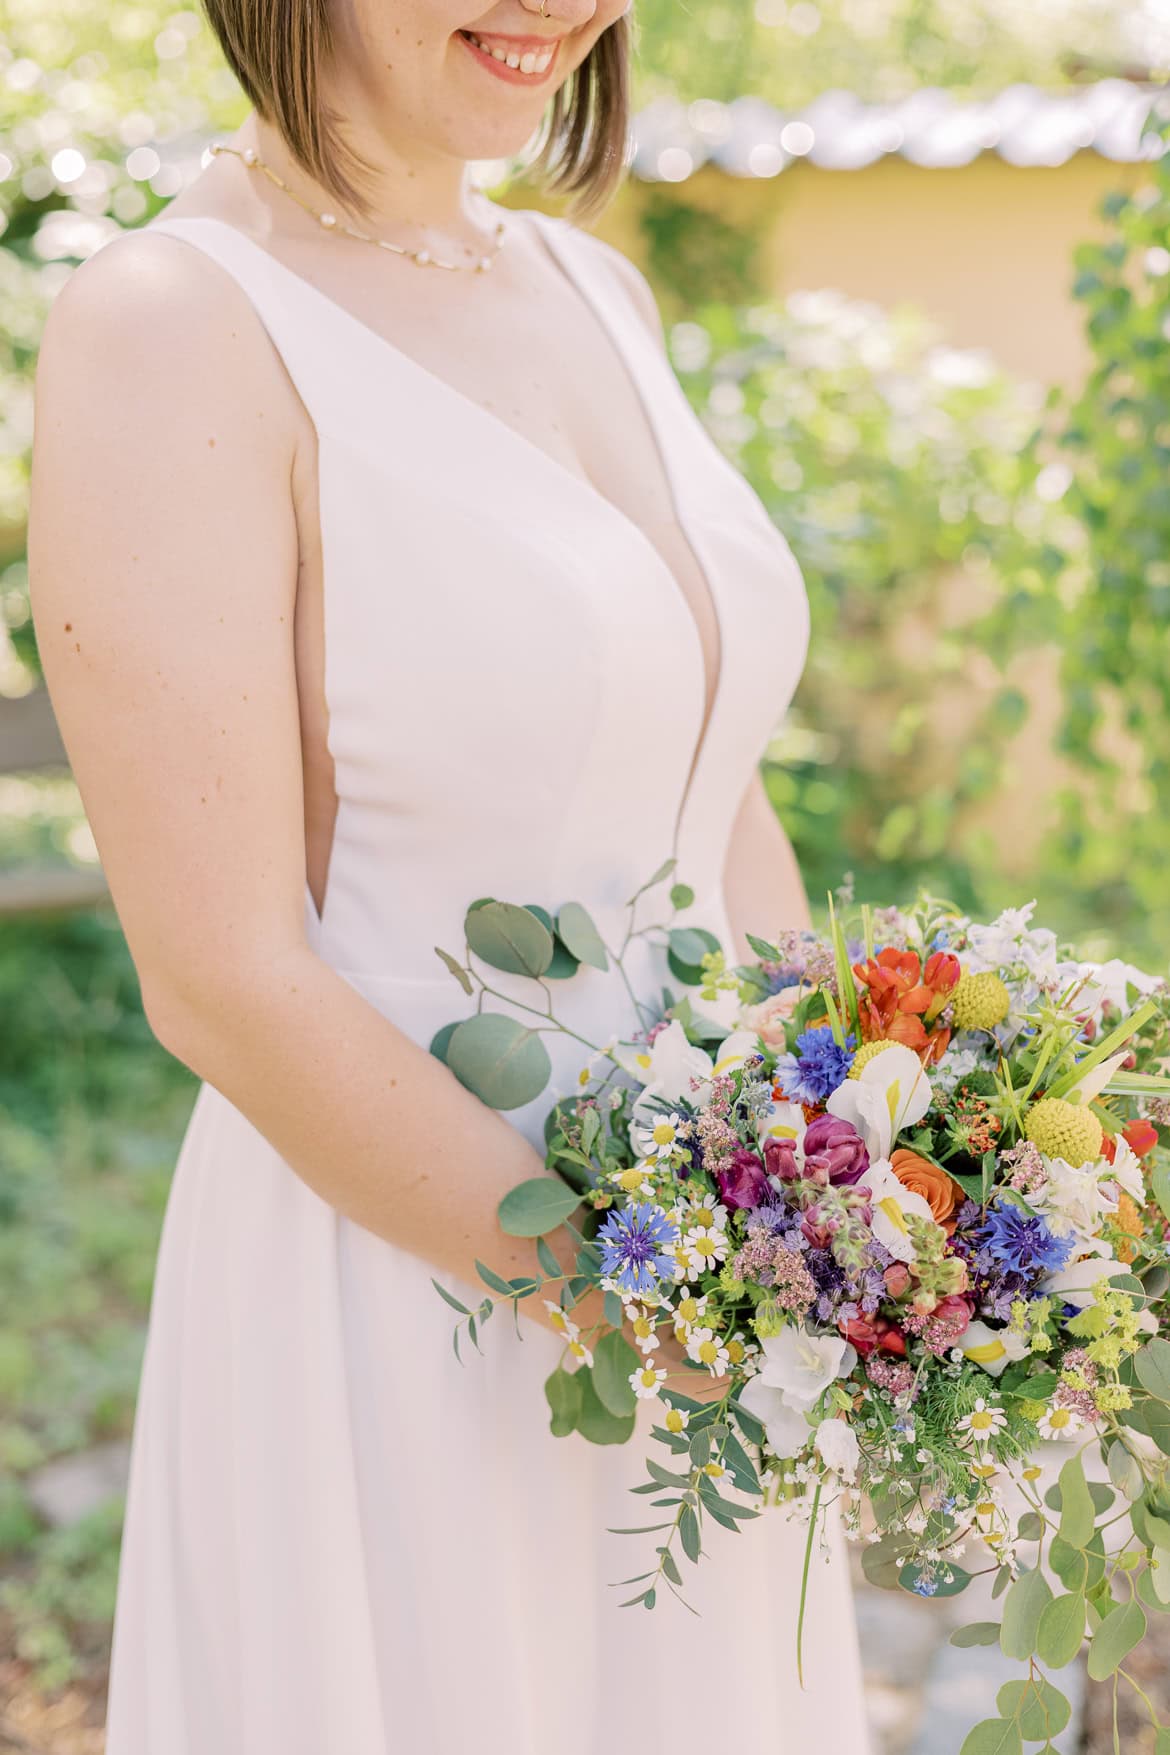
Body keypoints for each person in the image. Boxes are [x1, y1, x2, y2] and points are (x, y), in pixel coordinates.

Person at [28, 1, 872, 1749]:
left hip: (722, 1276)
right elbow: (222, 977)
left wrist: (848, 1171)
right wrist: (632, 1306)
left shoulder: (589, 290)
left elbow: (704, 788)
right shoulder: (172, 326)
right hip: (408, 1278)